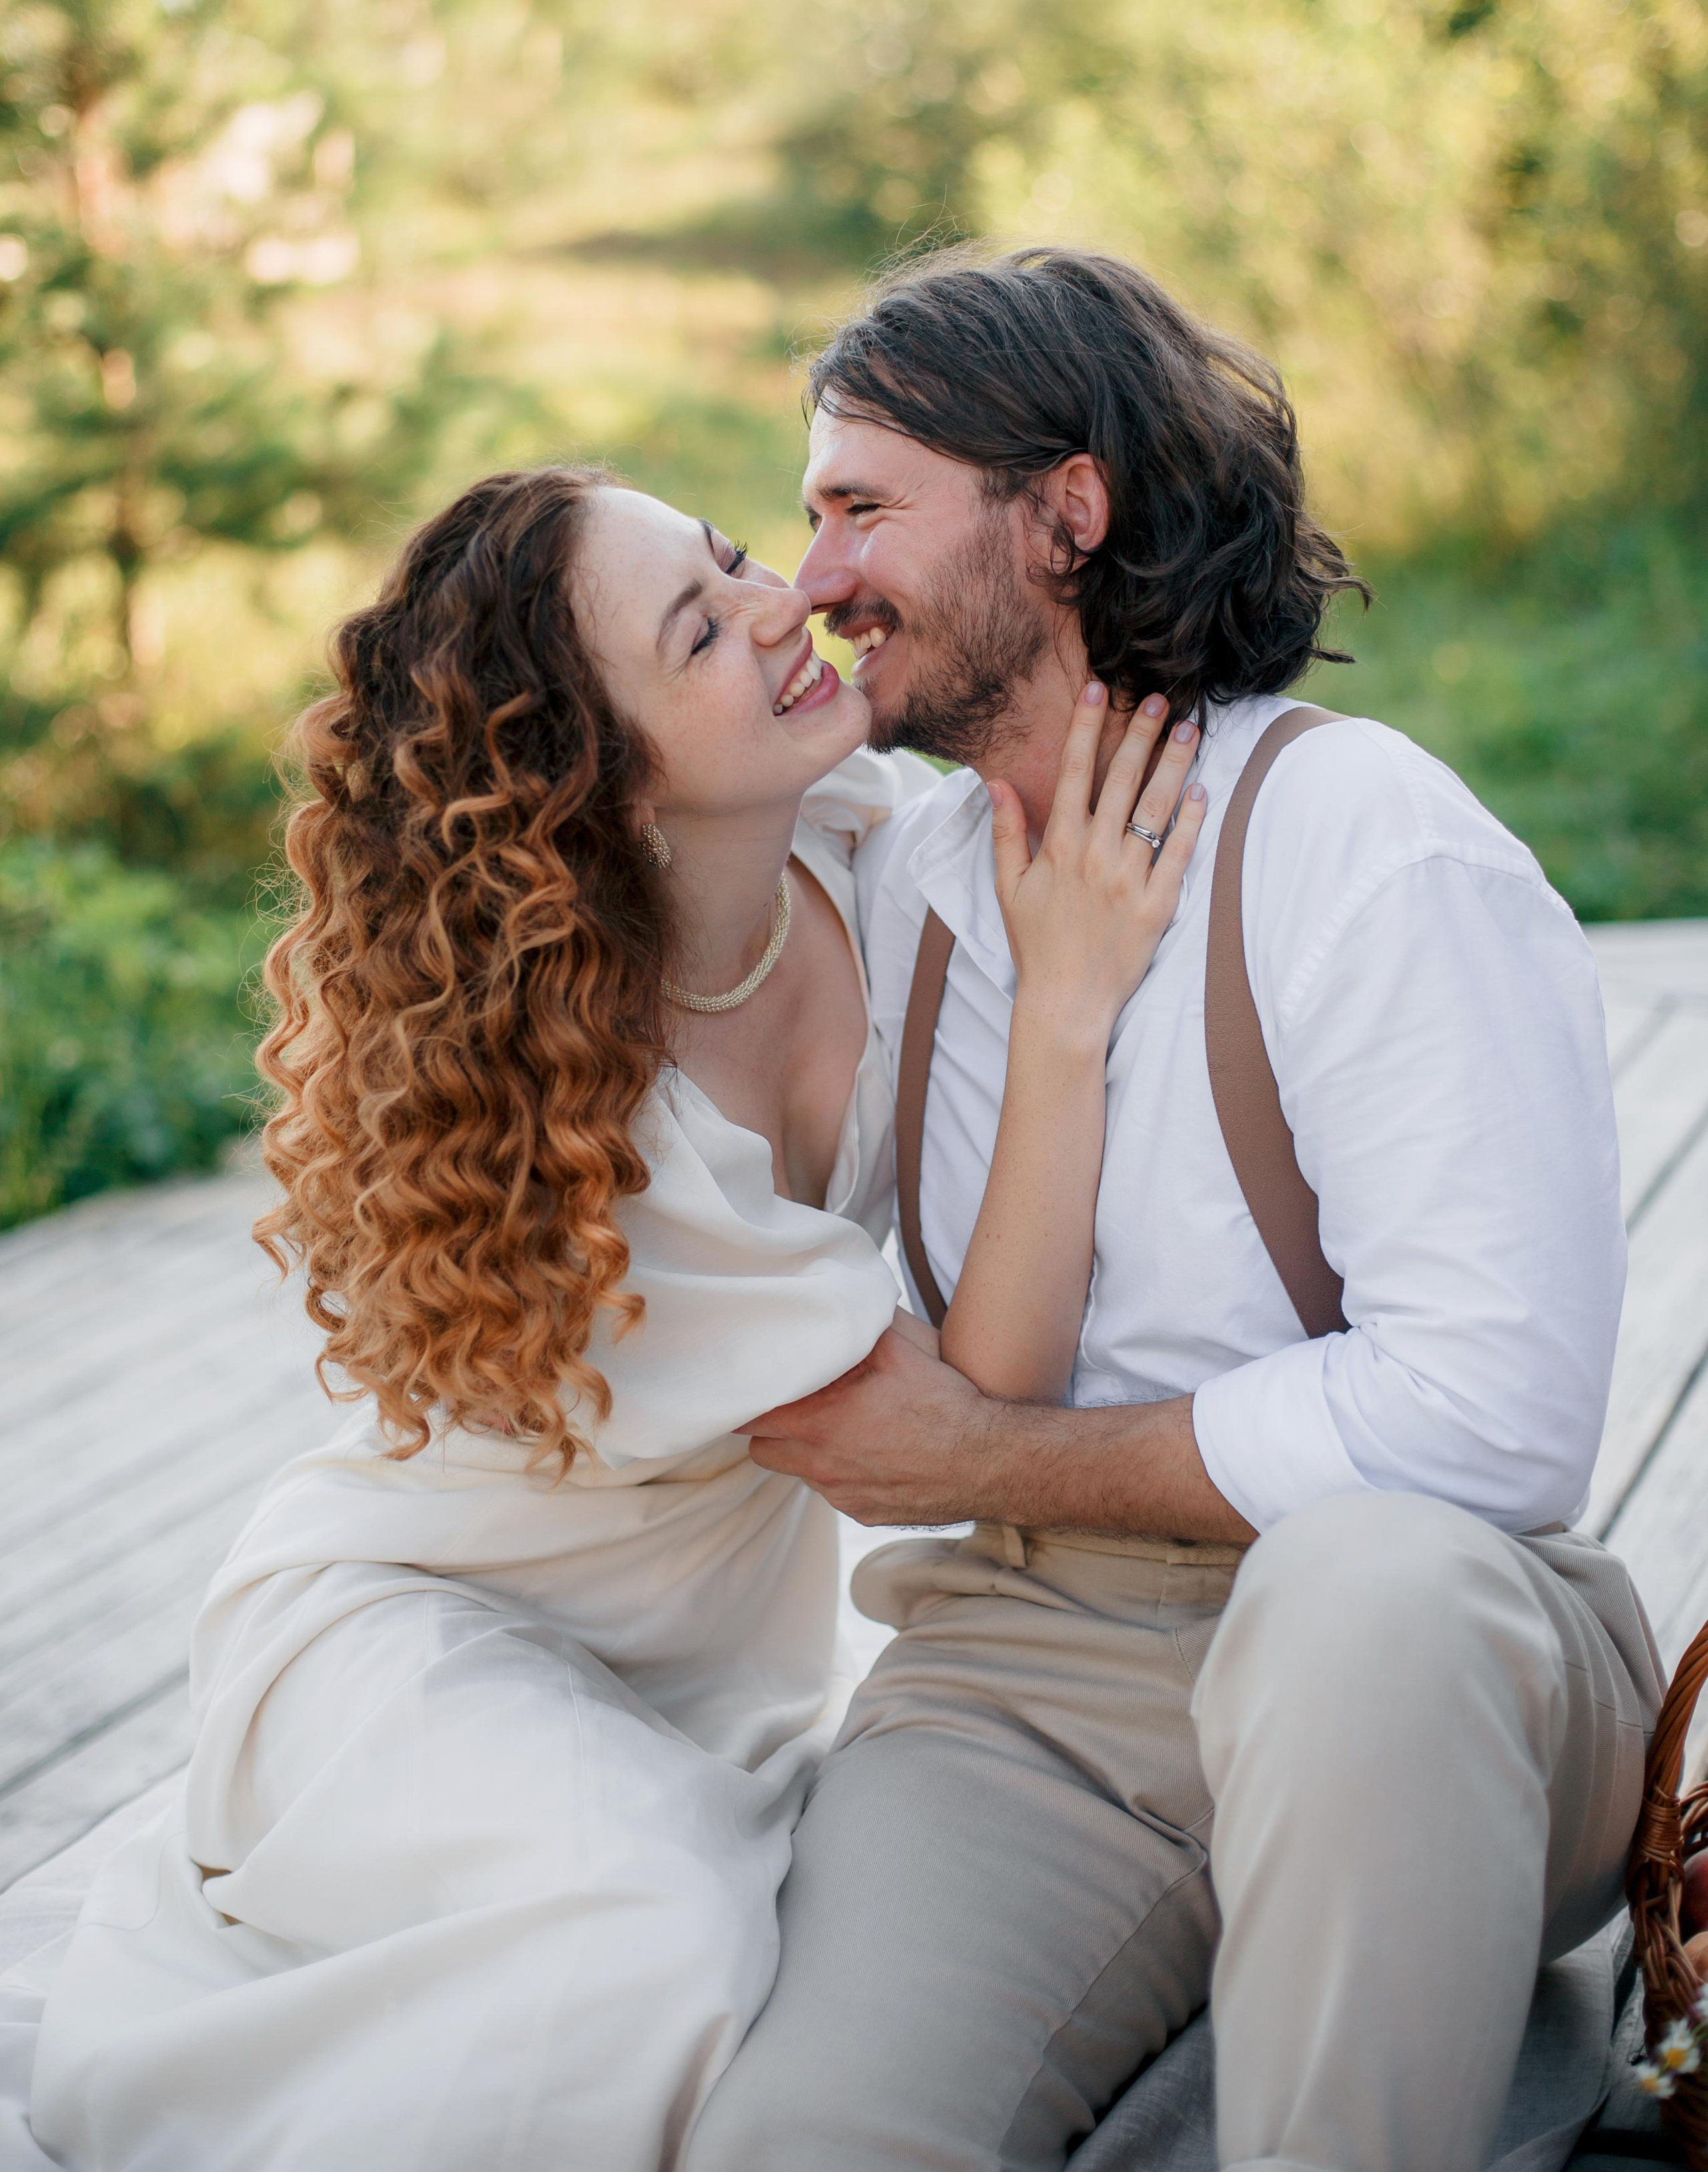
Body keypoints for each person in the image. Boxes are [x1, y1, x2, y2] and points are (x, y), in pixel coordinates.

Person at [23, 460, 1202, 2172]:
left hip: (695, 1689)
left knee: (709, 1946)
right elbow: (972, 1418)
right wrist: (1067, 1010)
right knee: (656, 1941)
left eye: (731, 562)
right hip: (414, 1633)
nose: (779, 607)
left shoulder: (867, 835)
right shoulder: (613, 1129)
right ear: (606, 779)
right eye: (698, 630)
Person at [685, 246, 1665, 2172]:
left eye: (861, 506)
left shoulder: (1360, 840)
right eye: (809, 518)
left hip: (1449, 1661)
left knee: (1362, 1587)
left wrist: (993, 1451)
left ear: (1069, 512)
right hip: (1033, 1679)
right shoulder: (905, 879)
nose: (813, 580)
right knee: (804, 2142)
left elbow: (1493, 1420)